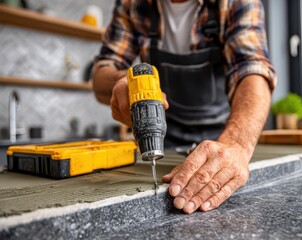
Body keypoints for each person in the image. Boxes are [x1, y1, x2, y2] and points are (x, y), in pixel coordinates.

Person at [92, 0, 276, 214]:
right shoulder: (132, 4)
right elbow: (102, 72)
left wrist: (235, 144)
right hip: (165, 139)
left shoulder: (234, 3)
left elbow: (253, 70)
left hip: (222, 138)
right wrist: (122, 81)